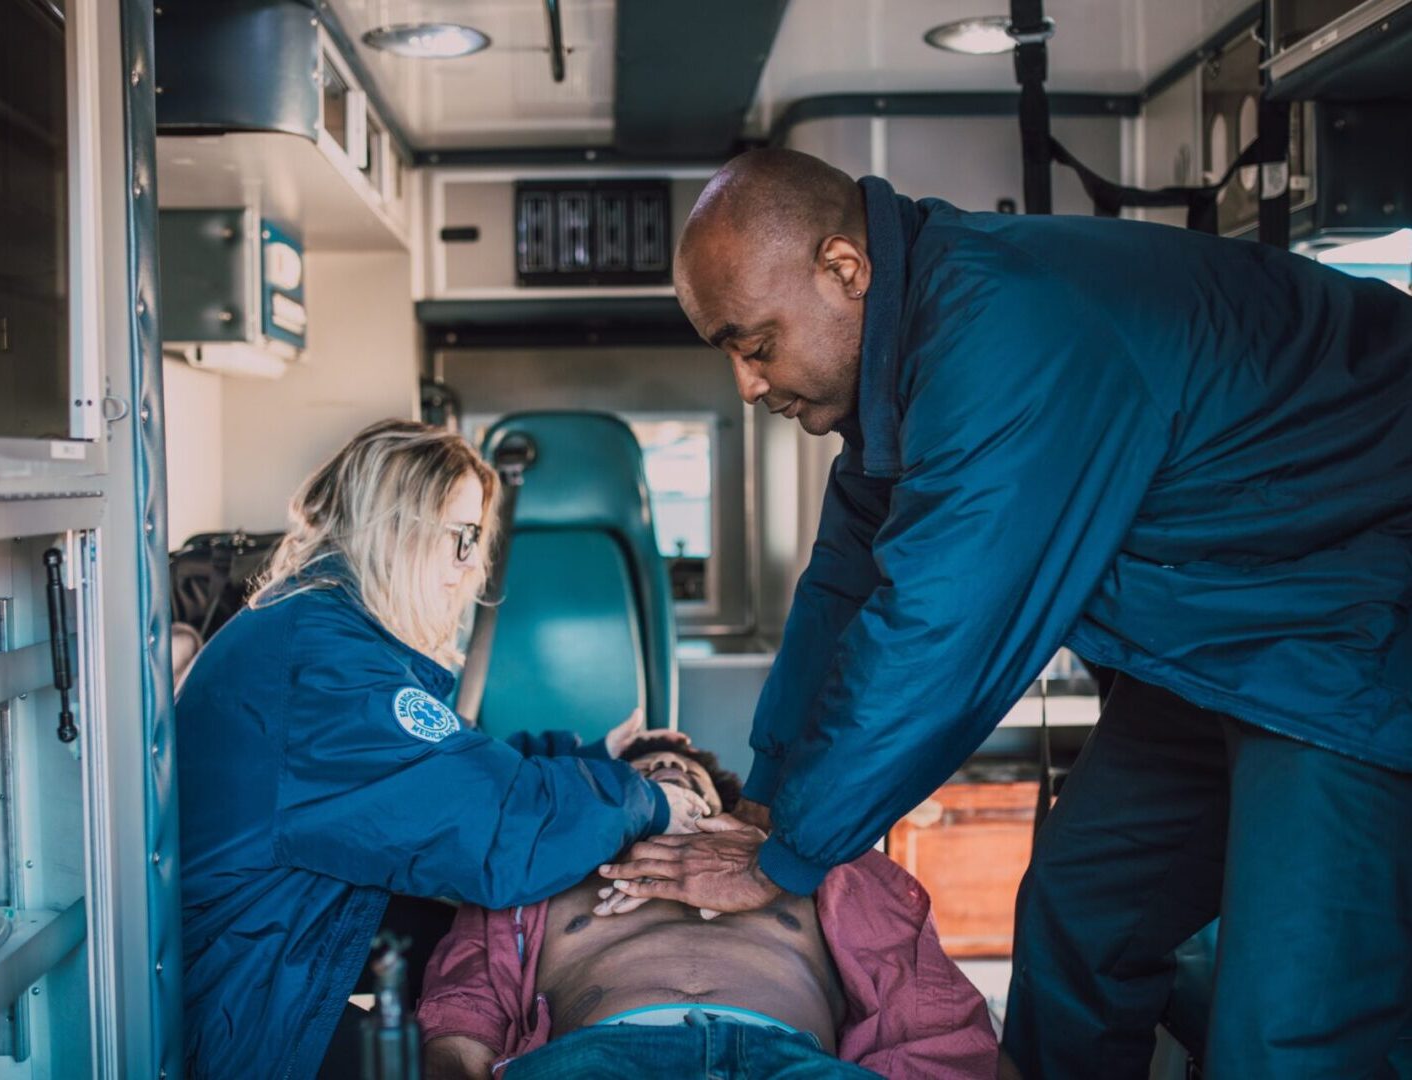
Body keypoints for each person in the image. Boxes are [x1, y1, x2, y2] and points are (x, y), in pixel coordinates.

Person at [597, 148, 1412, 1078]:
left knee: (1290, 1033)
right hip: (1217, 644)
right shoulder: (898, 384)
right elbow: (842, 593)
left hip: (1353, 622)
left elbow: (939, 631)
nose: (744, 384)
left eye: (755, 343)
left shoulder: (1003, 331)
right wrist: (770, 798)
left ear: (843, 271)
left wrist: (786, 858)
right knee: (1080, 916)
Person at [176, 420, 711, 1079]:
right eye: (461, 538)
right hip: (254, 1014)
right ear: (397, 525)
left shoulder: (316, 628)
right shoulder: (327, 664)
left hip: (278, 950)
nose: (468, 568)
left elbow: (437, 772)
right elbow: (494, 829)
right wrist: (647, 800)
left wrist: (594, 755)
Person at [417, 737, 998, 1079]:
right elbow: (468, 998)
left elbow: (918, 998)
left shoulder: (807, 864)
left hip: (794, 1061)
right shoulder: (541, 867)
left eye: (690, 774)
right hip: (602, 1056)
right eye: (647, 774)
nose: (672, 768)